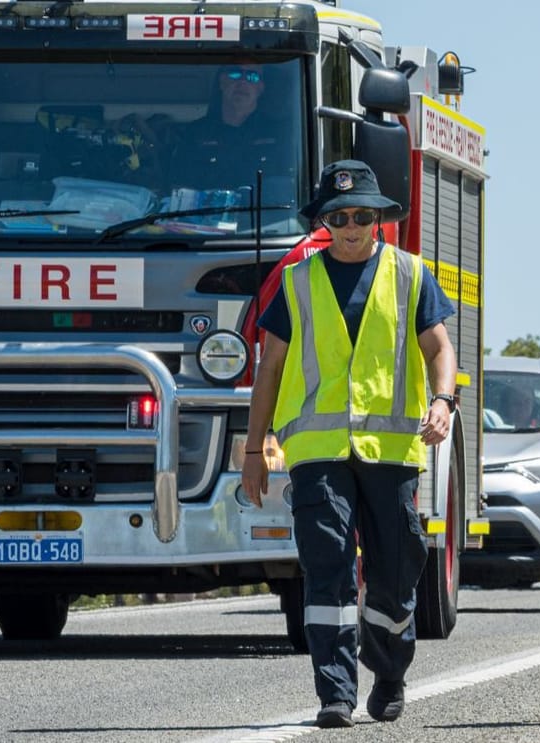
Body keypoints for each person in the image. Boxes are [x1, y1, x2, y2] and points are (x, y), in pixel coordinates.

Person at [242, 160, 456, 729]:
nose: (352, 224)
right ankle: (335, 691)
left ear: (379, 218)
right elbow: (270, 370)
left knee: (393, 573)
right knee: (327, 569)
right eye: (340, 216)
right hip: (316, 454)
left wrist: (443, 401)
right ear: (325, 222)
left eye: (363, 214)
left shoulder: (411, 274)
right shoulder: (296, 283)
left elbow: (440, 348)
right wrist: (252, 449)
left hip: (390, 454)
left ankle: (388, 672)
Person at [170, 61, 289, 189]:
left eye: (252, 77)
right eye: (235, 74)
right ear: (221, 82)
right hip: (208, 208)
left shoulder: (279, 133)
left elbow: (289, 187)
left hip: (261, 208)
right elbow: (180, 188)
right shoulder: (195, 133)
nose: (242, 82)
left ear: (261, 88)